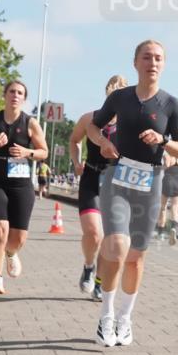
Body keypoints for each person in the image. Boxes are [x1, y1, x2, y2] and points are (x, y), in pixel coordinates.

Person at [86, 41, 178, 346]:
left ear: (164, 64)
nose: (152, 62)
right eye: (147, 57)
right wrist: (103, 142)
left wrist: (163, 140)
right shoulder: (120, 98)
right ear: (135, 63)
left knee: (135, 259)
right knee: (116, 247)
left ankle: (125, 319)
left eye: (158, 58)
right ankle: (106, 317)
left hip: (150, 181)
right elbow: (94, 126)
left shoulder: (171, 104)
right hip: (118, 177)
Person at [0, 80, 48, 295]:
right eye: (11, 91)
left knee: (17, 238)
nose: (15, 95)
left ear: (24, 98)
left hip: (20, 184)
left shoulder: (30, 123)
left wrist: (27, 152)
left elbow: (44, 152)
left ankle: (11, 253)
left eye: (20, 93)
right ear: (5, 95)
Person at [69, 74, 127, 301]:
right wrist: (76, 162)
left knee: (111, 240)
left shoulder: (128, 126)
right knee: (94, 234)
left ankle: (100, 283)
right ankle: (88, 266)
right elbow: (74, 140)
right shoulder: (89, 119)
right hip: (91, 178)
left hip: (117, 183)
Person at [156, 154, 178, 244]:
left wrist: (158, 167)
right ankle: (173, 228)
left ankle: (161, 234)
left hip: (167, 181)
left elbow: (166, 165)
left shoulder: (167, 156)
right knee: (175, 207)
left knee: (163, 208)